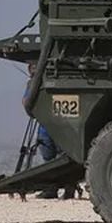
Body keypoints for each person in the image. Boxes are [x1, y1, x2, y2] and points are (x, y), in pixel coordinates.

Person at [23, 62, 75, 200]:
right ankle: (52, 189)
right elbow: (27, 105)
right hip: (47, 127)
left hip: (59, 126)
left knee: (63, 158)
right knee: (49, 158)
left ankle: (68, 187)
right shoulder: (32, 84)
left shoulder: (57, 80)